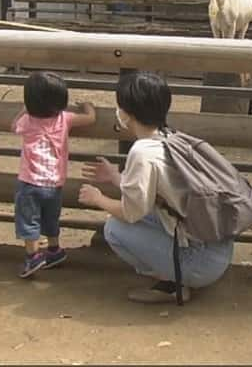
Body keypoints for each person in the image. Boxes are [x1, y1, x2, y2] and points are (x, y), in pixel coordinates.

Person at [78, 71, 235, 304]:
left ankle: (174, 283)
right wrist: (115, 177)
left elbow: (131, 213)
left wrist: (98, 199)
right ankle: (176, 275)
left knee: (115, 229)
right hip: (217, 250)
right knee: (140, 216)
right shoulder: (171, 137)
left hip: (201, 262)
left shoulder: (141, 152)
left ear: (127, 113)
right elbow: (151, 193)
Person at [13, 71, 96, 278]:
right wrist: (88, 106)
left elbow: (13, 126)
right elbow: (90, 118)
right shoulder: (65, 119)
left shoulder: (27, 121)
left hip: (30, 183)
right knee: (51, 217)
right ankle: (54, 250)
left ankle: (32, 255)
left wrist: (22, 111)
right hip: (54, 183)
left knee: (28, 219)